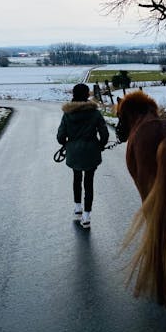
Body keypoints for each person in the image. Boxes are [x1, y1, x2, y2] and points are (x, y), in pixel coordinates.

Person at [57, 83, 109, 228]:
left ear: (74, 94)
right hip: (91, 151)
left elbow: (61, 136)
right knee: (89, 182)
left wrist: (67, 143)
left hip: (74, 152)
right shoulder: (95, 113)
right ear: (87, 95)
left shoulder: (67, 114)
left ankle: (78, 208)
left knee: (76, 178)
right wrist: (100, 145)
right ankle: (86, 216)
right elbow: (104, 134)